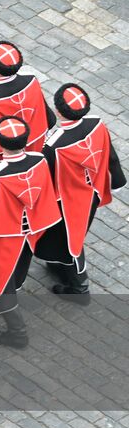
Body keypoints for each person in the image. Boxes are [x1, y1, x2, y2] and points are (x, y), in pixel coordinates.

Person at [0, 117, 62, 349]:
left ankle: (17, 331)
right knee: (13, 272)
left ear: (0, 143)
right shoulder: (38, 160)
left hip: (2, 238)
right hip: (30, 231)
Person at [36, 84, 124, 301]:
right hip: (91, 192)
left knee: (71, 243)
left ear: (58, 111)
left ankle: (79, 288)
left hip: (66, 202)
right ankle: (59, 266)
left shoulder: (53, 146)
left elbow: (44, 179)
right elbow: (110, 155)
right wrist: (118, 180)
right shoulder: (97, 125)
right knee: (66, 238)